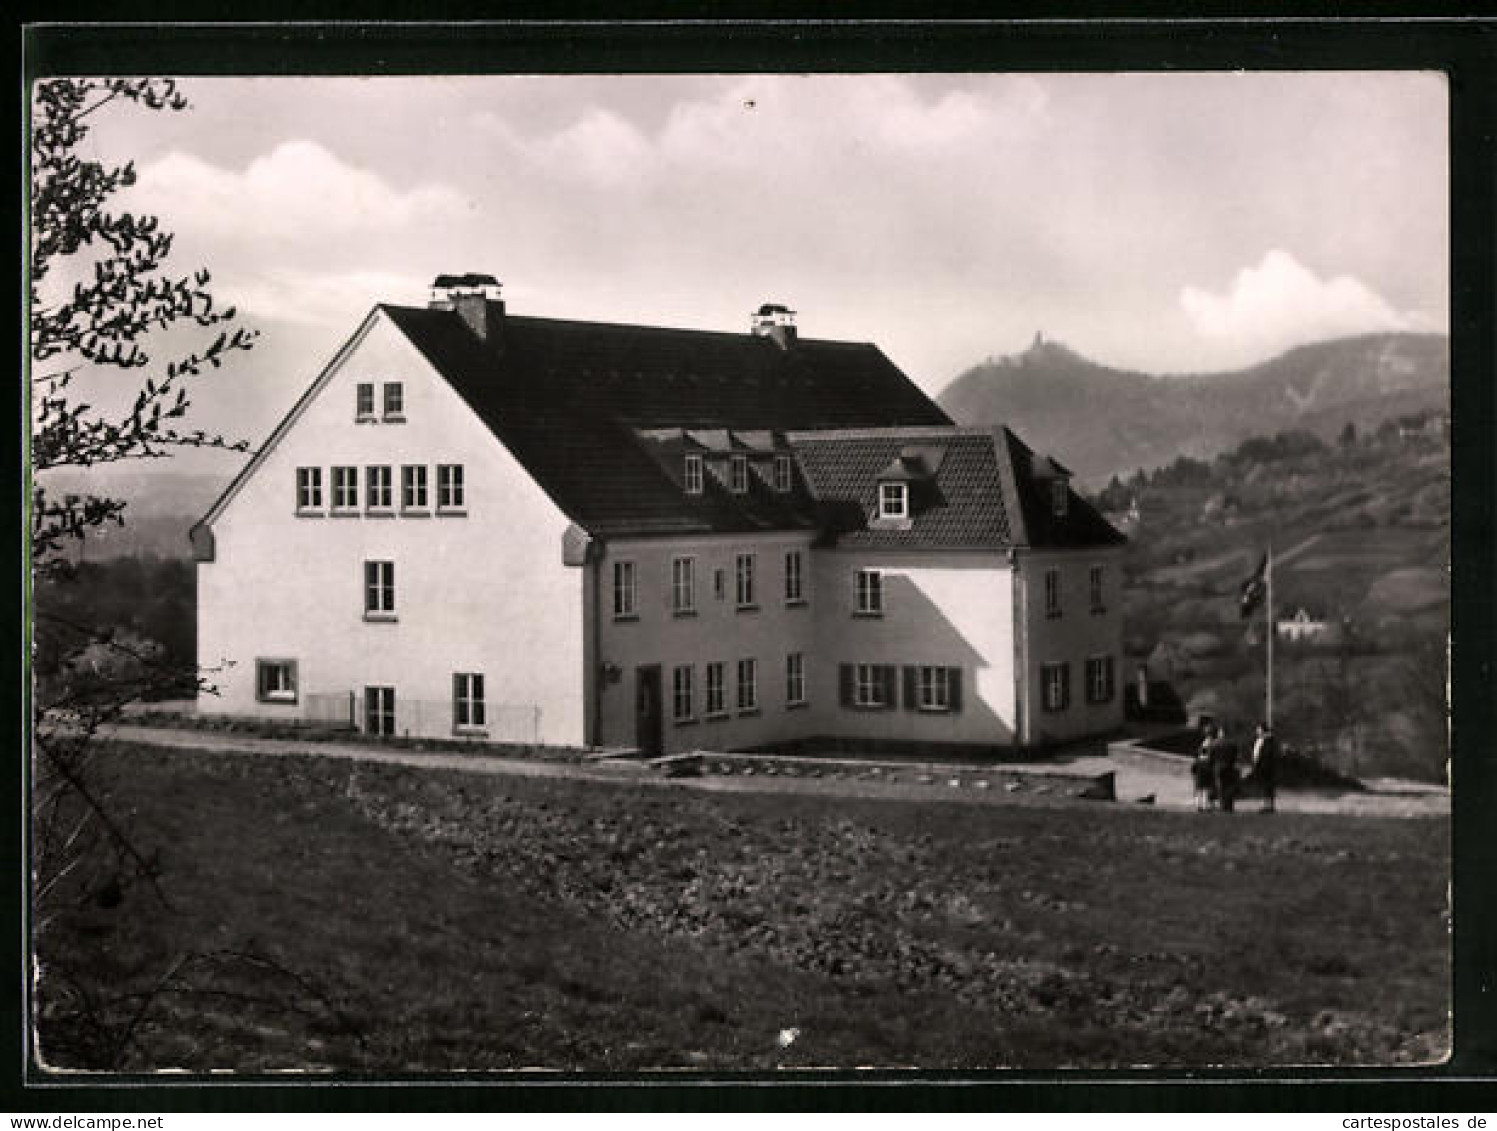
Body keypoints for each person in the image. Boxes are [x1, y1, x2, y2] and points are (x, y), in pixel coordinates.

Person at [1251, 722, 1279, 813]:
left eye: (1258, 729)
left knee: (1267, 786)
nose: (1257, 731)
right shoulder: (1261, 740)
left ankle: (1268, 806)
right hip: (1262, 767)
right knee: (1265, 787)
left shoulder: (1269, 740)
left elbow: (1267, 755)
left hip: (1266, 767)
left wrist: (1261, 764)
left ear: (1263, 730)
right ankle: (1266, 805)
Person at [1212, 726, 1240, 813]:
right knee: (1229, 787)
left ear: (1220, 733)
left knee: (1220, 787)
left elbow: (1212, 756)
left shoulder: (1215, 743)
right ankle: (1229, 806)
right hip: (1230, 767)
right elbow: (1235, 755)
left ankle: (1223, 805)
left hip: (1219, 767)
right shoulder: (1232, 744)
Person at [1192, 723, 1218, 811]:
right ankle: (1205, 805)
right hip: (1207, 765)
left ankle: (1200, 804)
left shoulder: (1205, 742)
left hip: (1201, 764)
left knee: (1200, 786)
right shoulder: (1213, 743)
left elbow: (1199, 755)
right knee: (1206, 786)